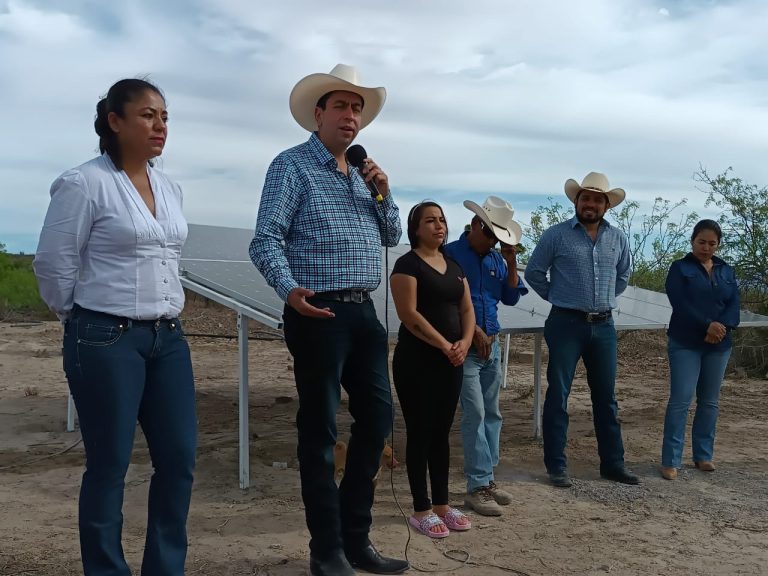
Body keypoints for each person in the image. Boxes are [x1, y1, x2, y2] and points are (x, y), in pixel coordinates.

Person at [249, 64, 408, 576]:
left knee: (378, 420)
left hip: (364, 309)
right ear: (318, 114)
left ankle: (354, 538)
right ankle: (326, 550)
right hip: (317, 311)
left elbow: (389, 235)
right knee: (319, 430)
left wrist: (382, 189)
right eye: (341, 106)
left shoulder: (364, 175)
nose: (351, 116)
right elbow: (266, 238)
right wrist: (288, 289)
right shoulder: (291, 166)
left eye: (357, 109)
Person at [33, 79, 196, 576]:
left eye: (164, 116)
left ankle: (164, 568)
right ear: (115, 121)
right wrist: (81, 318)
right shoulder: (84, 183)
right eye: (148, 115)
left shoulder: (170, 187)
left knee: (180, 459)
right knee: (109, 466)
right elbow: (53, 264)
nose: (160, 125)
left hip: (167, 338)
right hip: (105, 338)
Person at [525, 172, 639, 488]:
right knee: (558, 395)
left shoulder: (617, 238)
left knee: (606, 398)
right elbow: (534, 273)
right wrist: (559, 298)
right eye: (585, 197)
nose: (590, 204)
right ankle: (557, 467)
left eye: (597, 199)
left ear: (606, 205)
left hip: (603, 327)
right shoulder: (556, 236)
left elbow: (624, 275)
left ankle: (613, 465)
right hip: (565, 324)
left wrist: (601, 300)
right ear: (577, 201)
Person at [390, 201, 475, 538]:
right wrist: (444, 344)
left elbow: (466, 309)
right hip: (418, 361)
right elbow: (408, 315)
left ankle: (442, 504)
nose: (438, 226)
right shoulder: (406, 265)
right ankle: (421, 508)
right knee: (421, 431)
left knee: (441, 432)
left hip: (452, 360)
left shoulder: (453, 266)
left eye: (441, 220)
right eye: (430, 221)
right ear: (415, 228)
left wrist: (465, 342)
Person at [444, 196, 528, 516]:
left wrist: (510, 262)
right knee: (475, 413)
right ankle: (477, 485)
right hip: (465, 346)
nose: (495, 241)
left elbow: (509, 297)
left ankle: (487, 478)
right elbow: (444, 300)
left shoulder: (495, 260)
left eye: (500, 237)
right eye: (493, 234)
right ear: (478, 225)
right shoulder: (451, 254)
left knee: (492, 413)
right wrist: (473, 330)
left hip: (491, 347)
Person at [660, 219, 740, 480]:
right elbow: (680, 303)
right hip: (686, 343)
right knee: (681, 401)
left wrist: (722, 327)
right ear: (692, 241)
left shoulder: (726, 271)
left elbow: (733, 304)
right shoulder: (679, 268)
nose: (706, 247)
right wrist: (707, 325)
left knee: (709, 402)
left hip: (719, 344)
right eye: (701, 242)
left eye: (712, 243)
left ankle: (703, 455)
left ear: (718, 244)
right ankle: (671, 460)